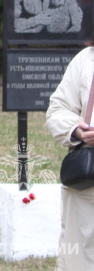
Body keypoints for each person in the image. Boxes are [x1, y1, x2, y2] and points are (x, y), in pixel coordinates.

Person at [46, 40, 94, 270]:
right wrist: (76, 129)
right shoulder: (86, 59)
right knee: (79, 259)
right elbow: (57, 110)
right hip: (88, 186)